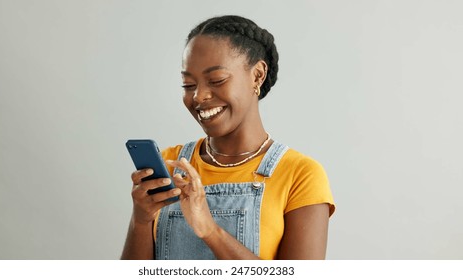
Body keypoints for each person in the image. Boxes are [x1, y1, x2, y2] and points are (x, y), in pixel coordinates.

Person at [121, 15, 335, 260]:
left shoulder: (300, 175)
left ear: (257, 75)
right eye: (188, 85)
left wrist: (210, 231)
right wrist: (141, 220)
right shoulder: (170, 165)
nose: (199, 96)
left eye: (216, 80)